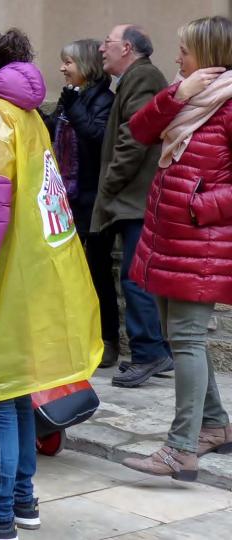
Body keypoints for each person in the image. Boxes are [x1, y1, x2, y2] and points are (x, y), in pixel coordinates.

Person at [0, 20, 101, 540]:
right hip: (29, 269)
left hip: (1, 273)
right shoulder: (22, 112)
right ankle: (21, 499)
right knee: (21, 389)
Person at [121, 15, 232, 481]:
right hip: (169, 236)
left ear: (206, 53)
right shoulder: (190, 97)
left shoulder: (227, 105)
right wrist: (177, 94)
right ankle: (214, 426)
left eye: (184, 50)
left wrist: (197, 206)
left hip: (200, 240)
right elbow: (140, 130)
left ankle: (181, 447)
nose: (176, 57)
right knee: (180, 338)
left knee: (185, 341)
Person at [92, 24, 171, 387]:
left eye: (107, 43)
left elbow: (134, 137)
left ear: (126, 47)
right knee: (134, 274)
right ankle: (150, 350)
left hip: (136, 197)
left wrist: (108, 185)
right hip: (132, 196)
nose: (101, 49)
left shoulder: (142, 78)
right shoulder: (136, 78)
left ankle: (150, 352)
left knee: (135, 275)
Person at [42, 39, 117, 368]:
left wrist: (72, 108)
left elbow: (99, 140)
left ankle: (107, 339)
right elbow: (53, 133)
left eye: (68, 62)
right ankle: (70, 335)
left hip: (92, 198)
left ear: (85, 66)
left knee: (98, 270)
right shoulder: (70, 97)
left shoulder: (105, 100)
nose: (62, 68)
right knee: (64, 269)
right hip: (64, 198)